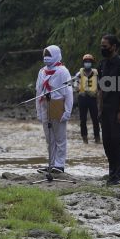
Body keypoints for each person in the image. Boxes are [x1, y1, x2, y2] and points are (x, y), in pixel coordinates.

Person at [98, 34, 120, 186]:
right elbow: (100, 90)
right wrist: (99, 109)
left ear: (114, 46)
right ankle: (112, 172)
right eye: (102, 46)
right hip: (105, 110)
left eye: (105, 46)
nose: (102, 48)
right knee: (107, 142)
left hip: (117, 109)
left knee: (118, 141)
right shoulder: (102, 64)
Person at [35, 45, 73, 174]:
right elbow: (38, 92)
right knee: (49, 138)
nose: (46, 58)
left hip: (58, 105)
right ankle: (51, 163)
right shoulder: (42, 71)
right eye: (45, 55)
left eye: (49, 55)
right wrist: (39, 111)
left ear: (56, 55)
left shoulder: (63, 71)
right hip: (44, 104)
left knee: (60, 138)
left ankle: (59, 164)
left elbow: (68, 93)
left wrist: (67, 111)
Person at [77, 54, 100, 144]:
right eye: (86, 62)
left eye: (89, 62)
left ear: (92, 63)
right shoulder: (79, 74)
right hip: (82, 99)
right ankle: (84, 139)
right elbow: (75, 86)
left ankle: (97, 138)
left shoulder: (96, 74)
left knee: (95, 119)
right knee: (83, 120)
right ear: (83, 63)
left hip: (92, 99)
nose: (87, 63)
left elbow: (99, 86)